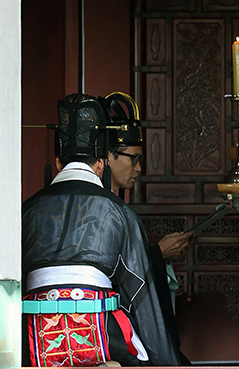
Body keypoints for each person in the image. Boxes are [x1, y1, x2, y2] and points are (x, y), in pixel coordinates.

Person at [22, 93, 180, 366]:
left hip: (35, 344)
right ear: (100, 164)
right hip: (99, 341)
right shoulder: (118, 213)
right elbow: (140, 296)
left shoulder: (26, 211)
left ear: (58, 163)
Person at [105, 93, 191, 362]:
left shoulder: (121, 210)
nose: (139, 168)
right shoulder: (102, 209)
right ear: (108, 157)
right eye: (134, 159)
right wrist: (157, 254)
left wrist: (155, 255)